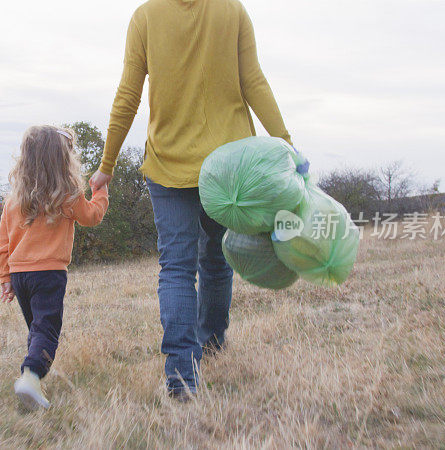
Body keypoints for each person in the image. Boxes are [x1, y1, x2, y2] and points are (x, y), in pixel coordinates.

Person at [90, 0, 293, 399]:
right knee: (217, 259)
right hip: (228, 168)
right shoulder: (232, 10)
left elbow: (128, 94)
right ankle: (212, 341)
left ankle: (182, 374)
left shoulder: (145, 17)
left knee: (177, 268)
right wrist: (284, 142)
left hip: (169, 164)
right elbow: (253, 81)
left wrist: (107, 164)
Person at [0, 125, 109, 410]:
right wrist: (100, 190)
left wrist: (5, 277)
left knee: (37, 328)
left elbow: (2, 243)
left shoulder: (14, 200)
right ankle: (31, 376)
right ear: (63, 161)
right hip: (49, 274)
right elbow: (92, 216)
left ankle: (32, 375)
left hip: (20, 275)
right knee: (47, 329)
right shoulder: (67, 196)